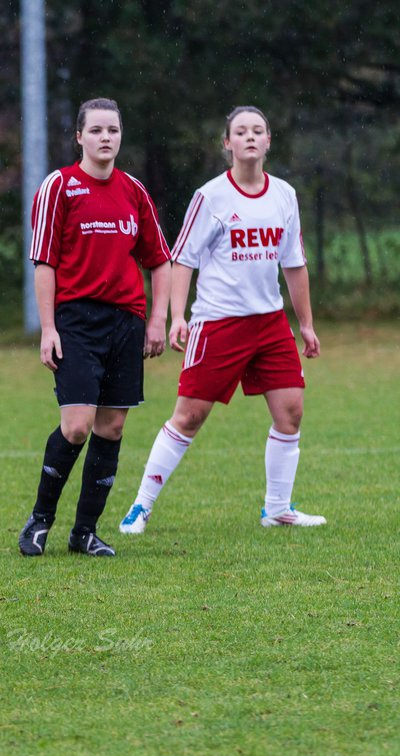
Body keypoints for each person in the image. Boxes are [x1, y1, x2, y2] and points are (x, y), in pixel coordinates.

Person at [120, 106, 325, 534]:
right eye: (240, 132)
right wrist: (179, 317)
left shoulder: (284, 195)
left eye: (258, 131)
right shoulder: (210, 196)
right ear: (227, 143)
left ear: (269, 141)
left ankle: (277, 508)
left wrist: (304, 324)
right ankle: (140, 506)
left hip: (269, 324)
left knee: (291, 412)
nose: (250, 137)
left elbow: (294, 264)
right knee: (189, 417)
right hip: (218, 324)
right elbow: (183, 259)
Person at [18, 97, 171, 558]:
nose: (107, 137)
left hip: (126, 321)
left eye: (114, 130)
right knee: (78, 426)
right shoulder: (60, 187)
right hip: (77, 320)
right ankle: (40, 520)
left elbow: (159, 260)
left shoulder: (133, 191)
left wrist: (156, 320)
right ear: (79, 137)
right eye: (97, 130)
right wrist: (48, 328)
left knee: (113, 426)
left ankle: (85, 532)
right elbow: (43, 261)